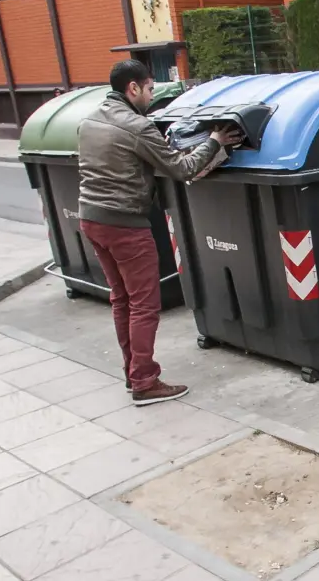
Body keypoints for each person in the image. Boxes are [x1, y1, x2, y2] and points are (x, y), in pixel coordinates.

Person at [77, 60, 239, 406]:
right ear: (133, 88)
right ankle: (145, 382)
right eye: (150, 88)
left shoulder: (90, 120)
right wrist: (214, 140)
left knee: (122, 299)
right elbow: (183, 168)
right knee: (144, 305)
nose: (152, 96)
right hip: (125, 225)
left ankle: (132, 372)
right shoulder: (137, 126)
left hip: (91, 218)